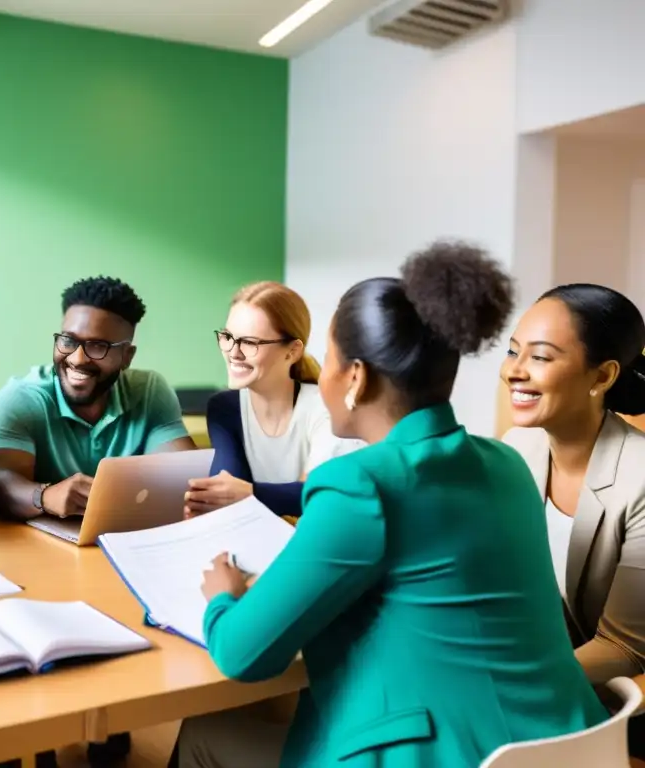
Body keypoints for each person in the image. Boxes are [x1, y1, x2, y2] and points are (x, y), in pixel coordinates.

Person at [175, 242, 606, 768]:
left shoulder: (358, 486)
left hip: (438, 755)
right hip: (568, 748)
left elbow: (243, 654)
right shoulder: (508, 465)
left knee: (202, 734)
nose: (322, 375)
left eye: (328, 361)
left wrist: (224, 596)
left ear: (355, 377)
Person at [0, 275, 195, 768]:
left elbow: (179, 468)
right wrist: (44, 493)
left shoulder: (150, 391)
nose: (77, 359)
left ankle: (108, 723)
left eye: (99, 346)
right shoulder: (21, 397)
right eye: (69, 341)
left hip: (114, 552)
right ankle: (43, 734)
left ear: (127, 355)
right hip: (34, 560)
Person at [501, 283, 645, 756]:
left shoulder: (640, 477)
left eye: (540, 357)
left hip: (625, 705)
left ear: (602, 376)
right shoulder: (515, 450)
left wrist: (509, 682)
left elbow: (625, 649)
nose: (514, 372)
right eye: (513, 351)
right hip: (550, 684)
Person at [184, 282, 361, 519]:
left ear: (292, 352)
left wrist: (250, 493)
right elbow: (225, 493)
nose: (233, 353)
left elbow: (320, 495)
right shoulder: (224, 408)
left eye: (249, 342)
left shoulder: (326, 407)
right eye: (227, 337)